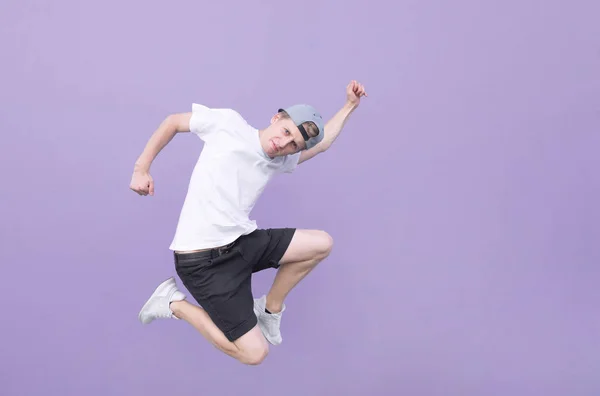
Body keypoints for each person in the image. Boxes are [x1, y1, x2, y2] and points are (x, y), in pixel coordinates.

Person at [129, 80, 367, 365]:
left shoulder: (281, 159)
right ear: (276, 118)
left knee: (321, 244)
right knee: (255, 353)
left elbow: (324, 143)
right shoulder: (228, 124)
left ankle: (269, 310)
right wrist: (141, 168)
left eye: (294, 145)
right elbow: (173, 122)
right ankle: (172, 303)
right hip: (201, 262)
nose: (284, 144)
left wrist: (349, 106)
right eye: (286, 132)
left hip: (241, 243)